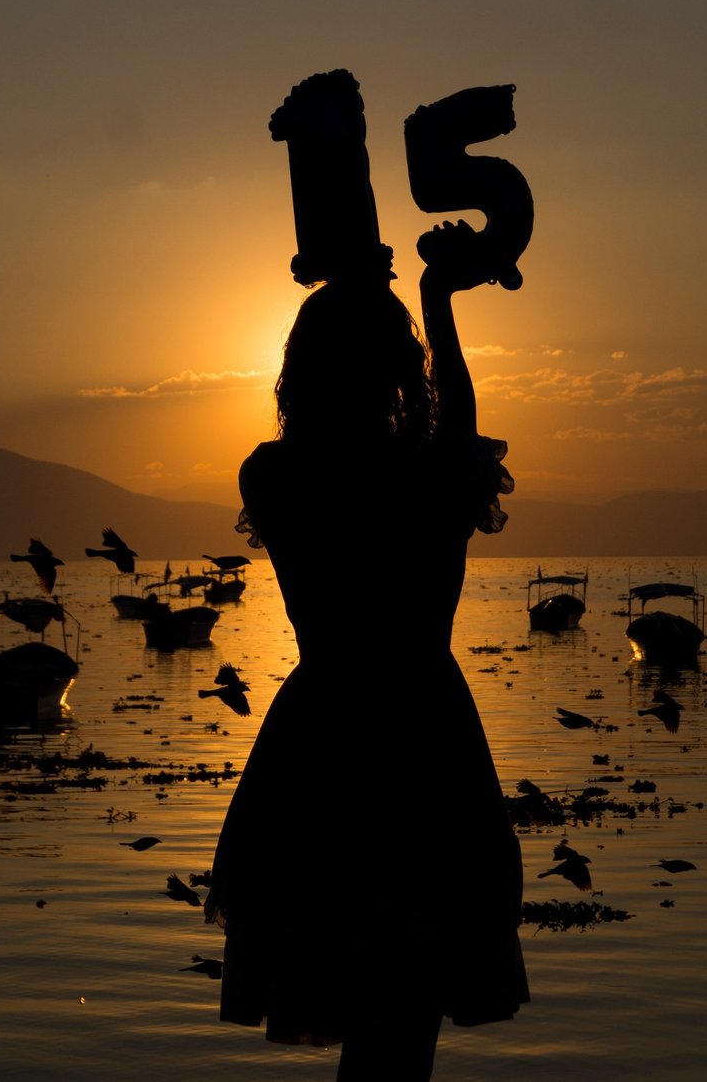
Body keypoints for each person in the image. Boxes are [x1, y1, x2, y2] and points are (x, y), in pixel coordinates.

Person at [205, 72, 528, 1079]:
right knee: (407, 1018)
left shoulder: (276, 476)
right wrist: (436, 302)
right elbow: (454, 439)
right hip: (424, 746)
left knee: (362, 1009)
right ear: (398, 373)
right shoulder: (424, 481)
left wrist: (390, 298)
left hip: (326, 740)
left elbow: (422, 446)